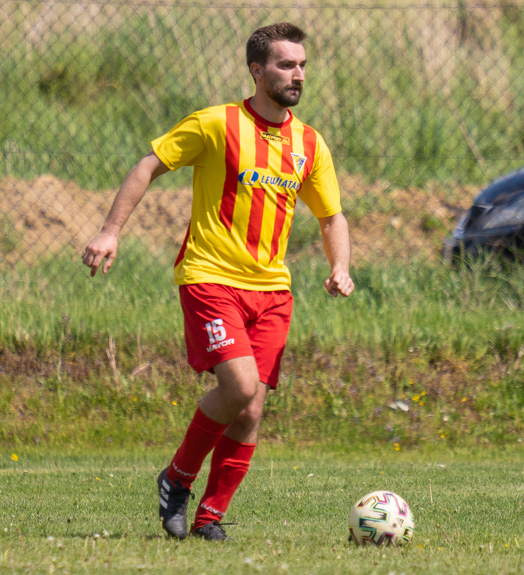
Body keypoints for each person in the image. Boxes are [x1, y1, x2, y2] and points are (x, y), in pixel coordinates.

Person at [81, 22, 354, 541]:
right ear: (257, 70)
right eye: (285, 65)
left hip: (272, 290)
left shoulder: (309, 143)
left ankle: (209, 517)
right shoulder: (216, 123)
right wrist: (110, 231)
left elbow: (331, 217)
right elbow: (148, 165)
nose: (297, 75)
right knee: (240, 385)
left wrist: (339, 266)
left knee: (251, 407)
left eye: (302, 66)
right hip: (210, 277)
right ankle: (176, 479)